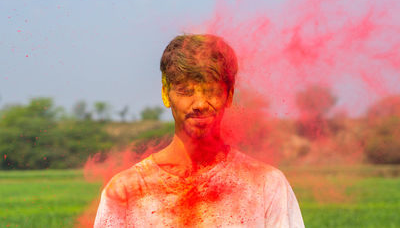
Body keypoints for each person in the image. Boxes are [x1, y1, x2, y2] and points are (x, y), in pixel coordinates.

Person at [94, 34, 305, 227]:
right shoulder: (124, 192)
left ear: (229, 95)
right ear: (166, 95)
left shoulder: (266, 185)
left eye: (211, 91)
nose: (200, 104)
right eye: (186, 91)